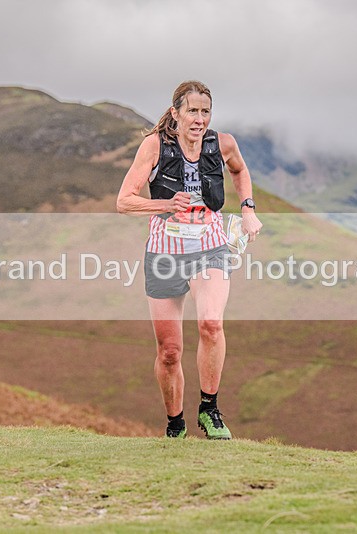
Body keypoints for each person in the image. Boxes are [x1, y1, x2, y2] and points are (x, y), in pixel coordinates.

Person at [117, 80, 262, 439]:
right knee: (169, 351)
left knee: (211, 324)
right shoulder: (154, 147)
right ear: (175, 113)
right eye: (192, 111)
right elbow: (124, 201)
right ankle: (175, 423)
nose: (199, 119)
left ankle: (210, 409)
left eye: (205, 112)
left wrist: (247, 209)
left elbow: (240, 171)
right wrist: (168, 204)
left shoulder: (222, 143)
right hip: (164, 252)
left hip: (209, 248)